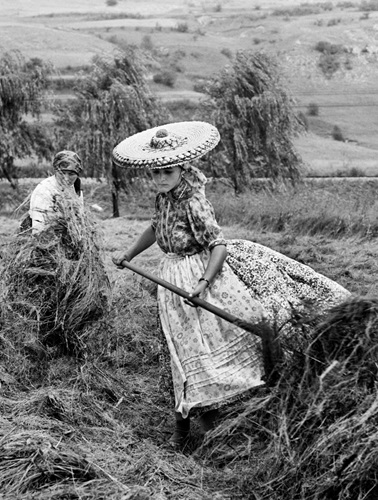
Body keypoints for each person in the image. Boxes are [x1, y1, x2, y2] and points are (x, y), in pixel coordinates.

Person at [111, 121, 350, 449]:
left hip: (199, 274)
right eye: (155, 172)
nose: (161, 177)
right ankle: (183, 425)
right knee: (178, 349)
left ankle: (223, 415)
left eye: (167, 170)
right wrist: (128, 253)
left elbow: (218, 245)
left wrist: (203, 282)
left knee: (203, 347)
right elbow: (155, 229)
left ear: (182, 167)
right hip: (171, 279)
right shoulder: (163, 199)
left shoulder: (193, 202)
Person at [28, 150, 83, 234]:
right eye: (62, 173)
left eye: (71, 174)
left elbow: (80, 217)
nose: (66, 178)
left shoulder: (76, 188)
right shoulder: (45, 190)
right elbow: (38, 229)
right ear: (56, 172)